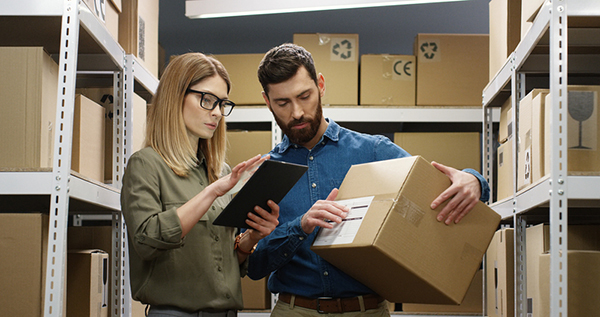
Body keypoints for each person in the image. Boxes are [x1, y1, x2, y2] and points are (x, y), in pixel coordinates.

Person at [246, 43, 490, 316]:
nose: (297, 112)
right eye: (282, 103)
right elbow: (255, 266)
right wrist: (299, 226)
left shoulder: (372, 150)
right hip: (295, 309)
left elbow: (432, 192)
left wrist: (474, 180)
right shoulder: (266, 172)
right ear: (267, 101)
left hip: (366, 310)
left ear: (321, 85)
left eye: (305, 96)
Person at [120, 52, 280, 317]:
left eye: (222, 103)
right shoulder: (146, 165)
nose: (217, 113)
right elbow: (146, 243)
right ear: (175, 96)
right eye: (207, 100)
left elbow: (228, 262)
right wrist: (212, 192)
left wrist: (252, 236)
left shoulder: (221, 172)